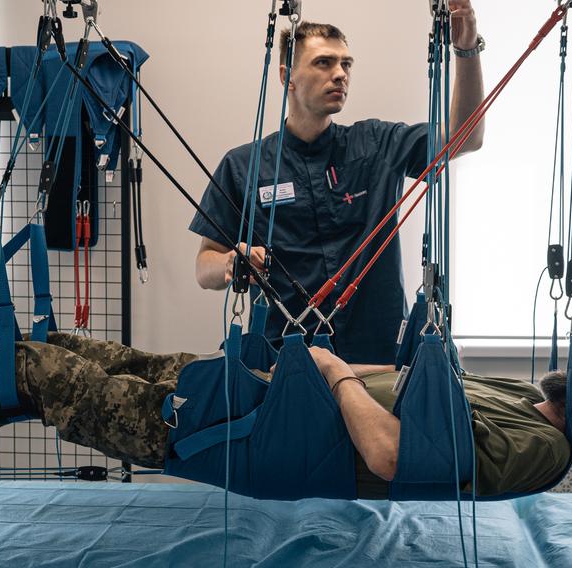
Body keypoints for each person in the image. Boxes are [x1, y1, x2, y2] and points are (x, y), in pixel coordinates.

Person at [0, 333, 572, 497]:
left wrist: (334, 373)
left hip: (250, 437)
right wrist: (305, 367)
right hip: (264, 391)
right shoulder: (526, 399)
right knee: (56, 344)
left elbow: (391, 459)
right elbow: (402, 379)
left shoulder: (539, 455)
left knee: (31, 372)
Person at [192, 1, 486, 364]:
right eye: (324, 62)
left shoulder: (378, 144)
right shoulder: (243, 165)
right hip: (282, 359)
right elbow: (205, 267)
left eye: (346, 63)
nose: (340, 73)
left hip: (375, 361)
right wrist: (231, 263)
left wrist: (466, 48)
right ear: (288, 78)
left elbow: (465, 136)